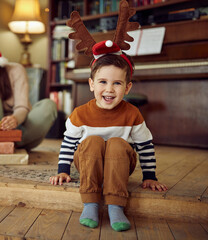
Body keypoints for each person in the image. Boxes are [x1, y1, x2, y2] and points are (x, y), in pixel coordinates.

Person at [49, 40, 168, 232]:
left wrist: (150, 176)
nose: (109, 89)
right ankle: (90, 204)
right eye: (103, 82)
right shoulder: (79, 114)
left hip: (120, 164)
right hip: (88, 162)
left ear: (127, 88)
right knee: (93, 141)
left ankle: (116, 206)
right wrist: (63, 170)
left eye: (117, 83)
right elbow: (69, 144)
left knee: (117, 144)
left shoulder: (133, 114)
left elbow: (144, 145)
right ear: (92, 84)